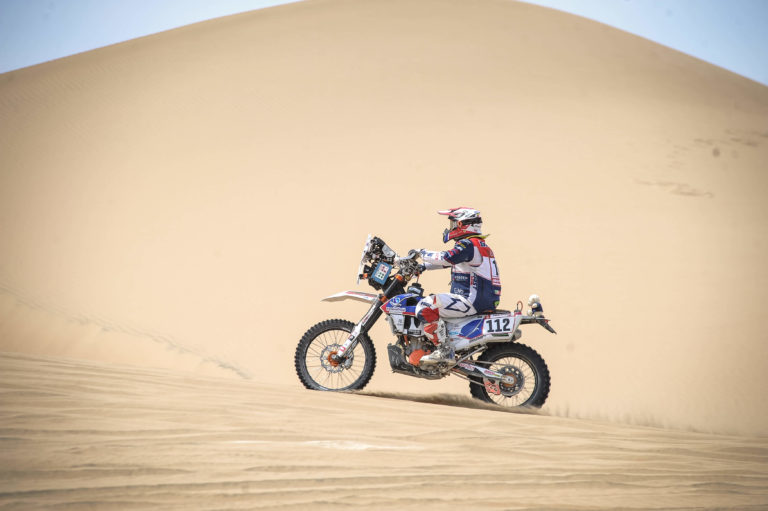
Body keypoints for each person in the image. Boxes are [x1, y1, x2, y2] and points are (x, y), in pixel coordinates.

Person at [416, 207, 502, 367]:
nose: (451, 228)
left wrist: (420, 253)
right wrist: (422, 266)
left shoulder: (469, 244)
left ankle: (444, 350)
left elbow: (447, 258)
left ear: (462, 224)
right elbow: (450, 262)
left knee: (425, 306)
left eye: (453, 223)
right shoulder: (479, 245)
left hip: (471, 301)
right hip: (482, 300)